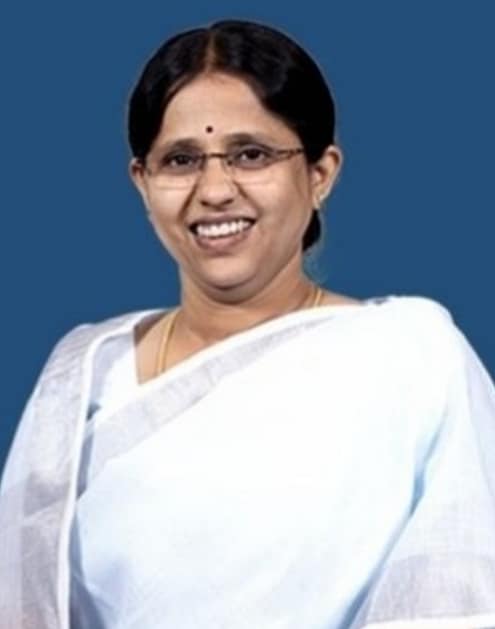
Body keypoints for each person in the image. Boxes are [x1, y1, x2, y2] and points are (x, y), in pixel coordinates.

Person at [1, 18, 495, 629]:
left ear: (320, 173)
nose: (214, 190)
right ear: (143, 182)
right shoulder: (82, 376)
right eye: (181, 160)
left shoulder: (412, 357)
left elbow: (456, 602)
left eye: (251, 155)